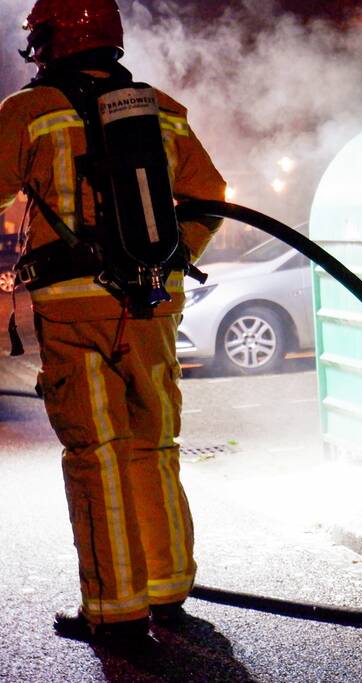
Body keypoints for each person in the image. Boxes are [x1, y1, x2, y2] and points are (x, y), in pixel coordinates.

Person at [0, 0, 226, 645]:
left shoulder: (27, 112)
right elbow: (211, 197)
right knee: (153, 443)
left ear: (46, 43)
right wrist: (168, 256)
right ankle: (167, 586)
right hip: (154, 303)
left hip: (75, 308)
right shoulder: (161, 109)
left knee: (94, 451)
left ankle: (116, 608)